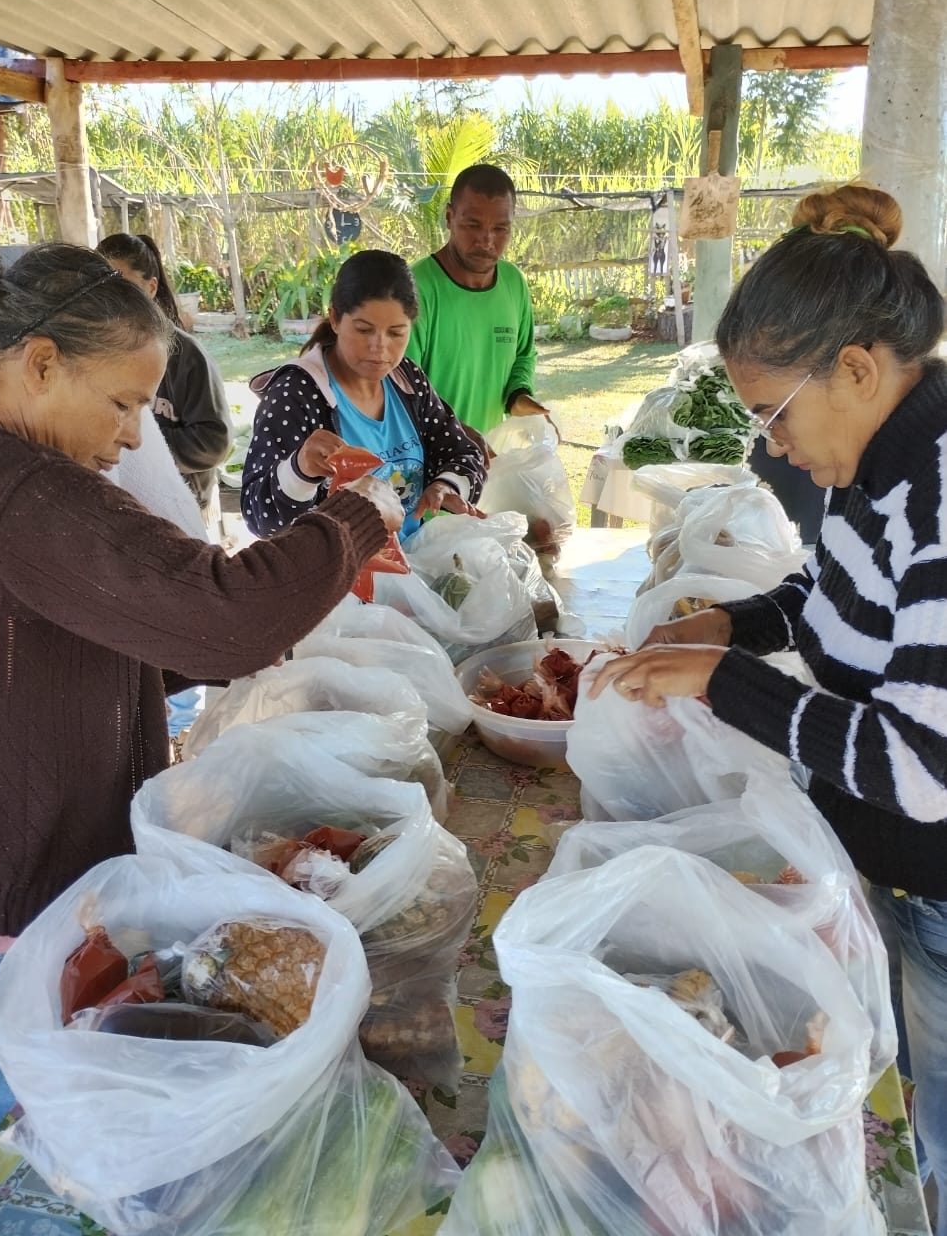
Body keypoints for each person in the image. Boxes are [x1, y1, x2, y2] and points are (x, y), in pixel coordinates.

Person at [0, 219, 403, 1134]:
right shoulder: (26, 489)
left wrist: (252, 635)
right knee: (48, 1142)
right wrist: (357, 517)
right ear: (41, 365)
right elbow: (224, 614)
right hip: (17, 913)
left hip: (26, 890)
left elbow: (87, 631)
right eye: (122, 404)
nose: (132, 438)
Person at [589, 183, 947, 1234]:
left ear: (856, 369)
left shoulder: (937, 492)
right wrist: (727, 624)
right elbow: (827, 592)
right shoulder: (872, 459)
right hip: (883, 861)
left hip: (938, 881)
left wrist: (725, 681)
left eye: (772, 415)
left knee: (940, 1112)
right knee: (890, 1078)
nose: (769, 449)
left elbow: (922, 764)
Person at [241, 248, 487, 542]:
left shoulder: (407, 381)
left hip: (411, 563)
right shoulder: (295, 396)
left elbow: (463, 452)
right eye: (364, 330)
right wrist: (300, 470)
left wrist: (447, 485)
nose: (379, 348)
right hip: (338, 570)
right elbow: (259, 518)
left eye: (396, 333)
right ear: (335, 318)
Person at [405, 164, 554, 437]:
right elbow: (402, 389)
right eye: (473, 225)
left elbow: (523, 355)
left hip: (491, 455)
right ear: (449, 217)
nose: (486, 240)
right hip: (428, 455)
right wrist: (459, 438)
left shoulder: (514, 283)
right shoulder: (414, 289)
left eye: (500, 228)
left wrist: (518, 396)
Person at [96, 232, 233, 528]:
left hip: (181, 503)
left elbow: (214, 442)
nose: (115, 302)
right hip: (125, 510)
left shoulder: (187, 357)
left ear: (151, 287)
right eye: (103, 289)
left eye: (126, 288)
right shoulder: (93, 354)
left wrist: (145, 450)